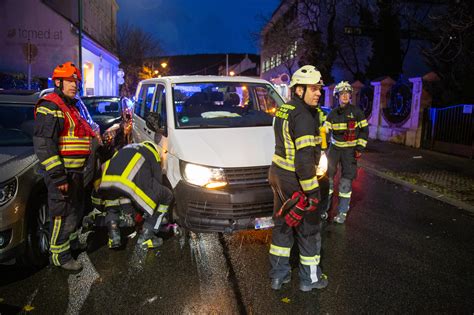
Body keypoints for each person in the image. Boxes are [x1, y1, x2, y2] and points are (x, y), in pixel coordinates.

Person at [268, 65, 328, 292]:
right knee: (309, 229)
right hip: (296, 180)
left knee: (282, 225)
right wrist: (313, 193)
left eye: (319, 89)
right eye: (313, 88)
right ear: (299, 90)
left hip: (277, 175)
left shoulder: (285, 109)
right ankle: (310, 280)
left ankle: (278, 276)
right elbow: (303, 162)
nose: (318, 93)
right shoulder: (304, 116)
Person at [33, 61, 96, 271]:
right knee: (62, 213)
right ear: (58, 82)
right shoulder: (50, 106)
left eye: (76, 81)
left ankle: (69, 243)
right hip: (63, 174)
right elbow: (44, 144)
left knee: (75, 211)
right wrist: (58, 177)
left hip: (75, 173)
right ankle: (60, 255)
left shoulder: (71, 105)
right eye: (70, 81)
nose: (74, 85)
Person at [98, 141, 173, 249]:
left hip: (106, 181)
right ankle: (147, 237)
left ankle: (114, 236)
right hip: (127, 183)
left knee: (112, 203)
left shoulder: (126, 147)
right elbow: (157, 182)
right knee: (166, 196)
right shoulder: (153, 154)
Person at [324, 81, 369, 224]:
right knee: (328, 180)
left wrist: (359, 148)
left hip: (349, 152)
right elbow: (325, 131)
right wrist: (322, 149)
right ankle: (325, 210)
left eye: (347, 94)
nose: (345, 96)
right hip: (334, 150)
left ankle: (342, 212)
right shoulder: (332, 114)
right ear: (337, 96)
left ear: (350, 95)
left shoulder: (357, 113)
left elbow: (364, 131)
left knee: (345, 183)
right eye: (342, 94)